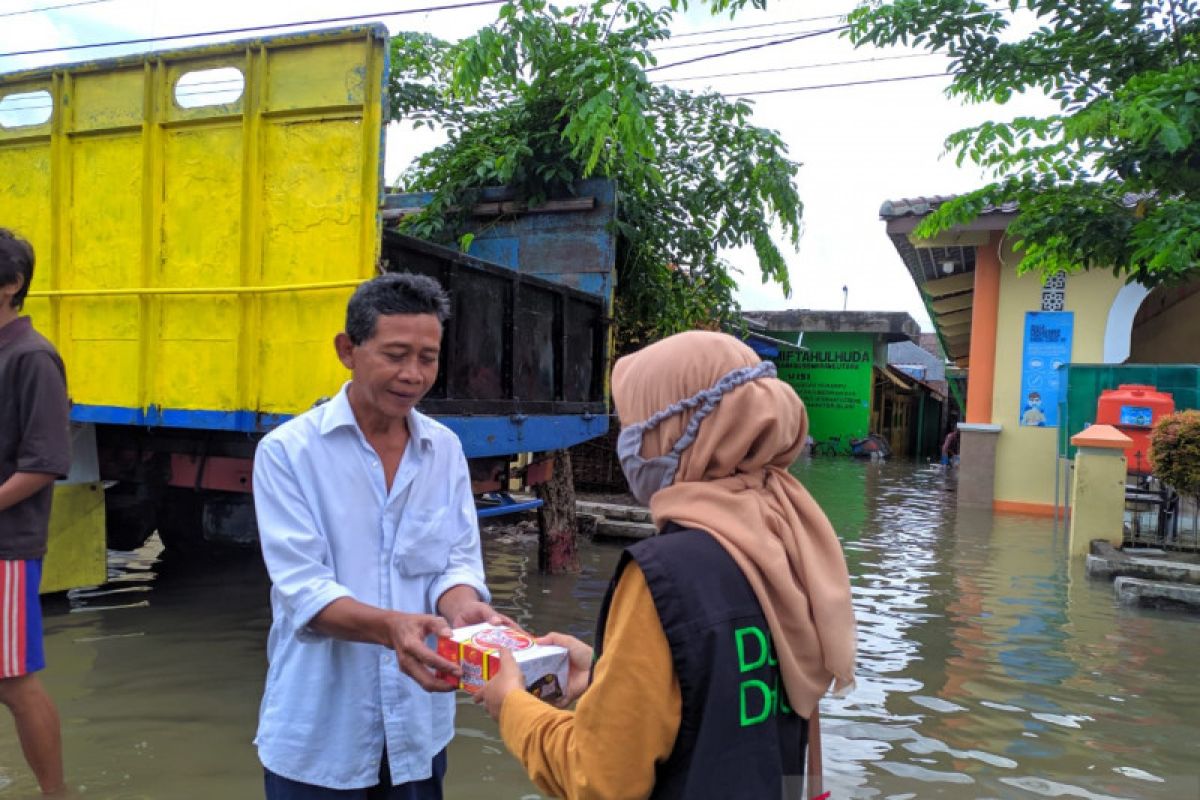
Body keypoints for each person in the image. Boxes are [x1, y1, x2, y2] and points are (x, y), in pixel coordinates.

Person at [477, 331, 857, 800]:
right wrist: (606, 675)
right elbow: (724, 695)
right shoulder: (789, 541)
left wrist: (512, 706)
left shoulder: (664, 572)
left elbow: (598, 779)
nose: (629, 444)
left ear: (676, 431)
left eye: (637, 426)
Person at [253, 273, 508, 799]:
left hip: (419, 727)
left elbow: (455, 562)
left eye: (427, 358)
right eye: (395, 355)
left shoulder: (444, 450)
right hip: (320, 734)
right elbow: (304, 590)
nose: (413, 375)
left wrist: (463, 609)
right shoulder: (288, 454)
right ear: (347, 350)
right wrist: (395, 628)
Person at [0, 228, 68, 796]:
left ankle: (54, 794)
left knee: (15, 683)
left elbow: (43, 463)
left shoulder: (32, 357)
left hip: (7, 547)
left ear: (11, 285)